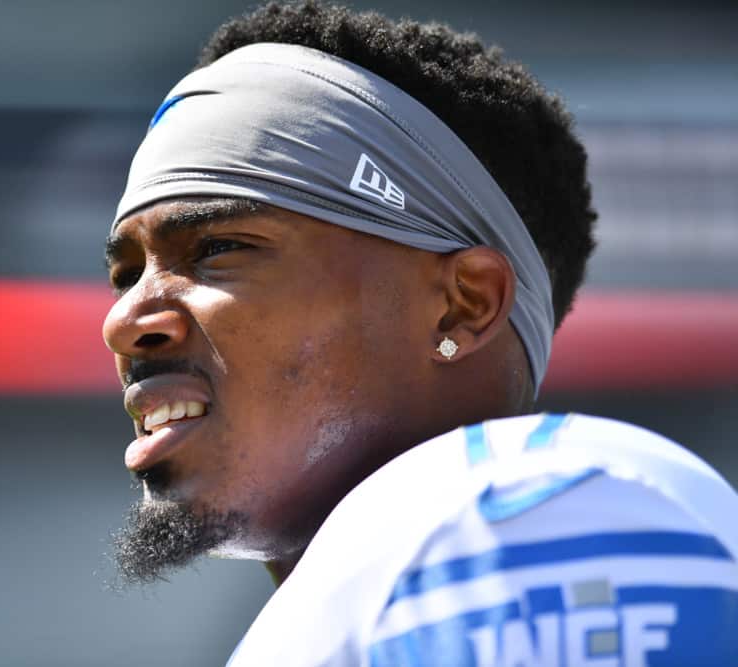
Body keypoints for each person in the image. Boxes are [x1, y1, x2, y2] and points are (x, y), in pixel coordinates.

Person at [100, 2, 738, 664]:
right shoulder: (377, 587)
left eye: (220, 247)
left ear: (462, 305)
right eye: (125, 275)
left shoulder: (543, 512)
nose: (124, 321)